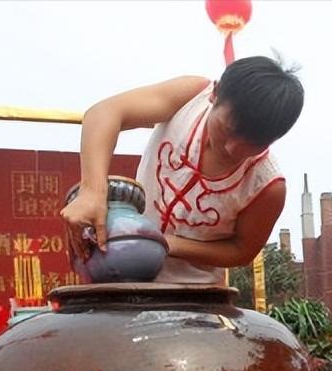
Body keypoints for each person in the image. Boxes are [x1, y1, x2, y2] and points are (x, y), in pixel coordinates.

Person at [61, 56, 304, 282]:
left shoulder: (267, 187)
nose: (231, 148)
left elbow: (241, 250)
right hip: (121, 275)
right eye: (227, 129)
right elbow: (104, 113)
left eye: (253, 144)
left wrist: (168, 244)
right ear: (215, 93)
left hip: (193, 295)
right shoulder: (191, 97)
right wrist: (92, 191)